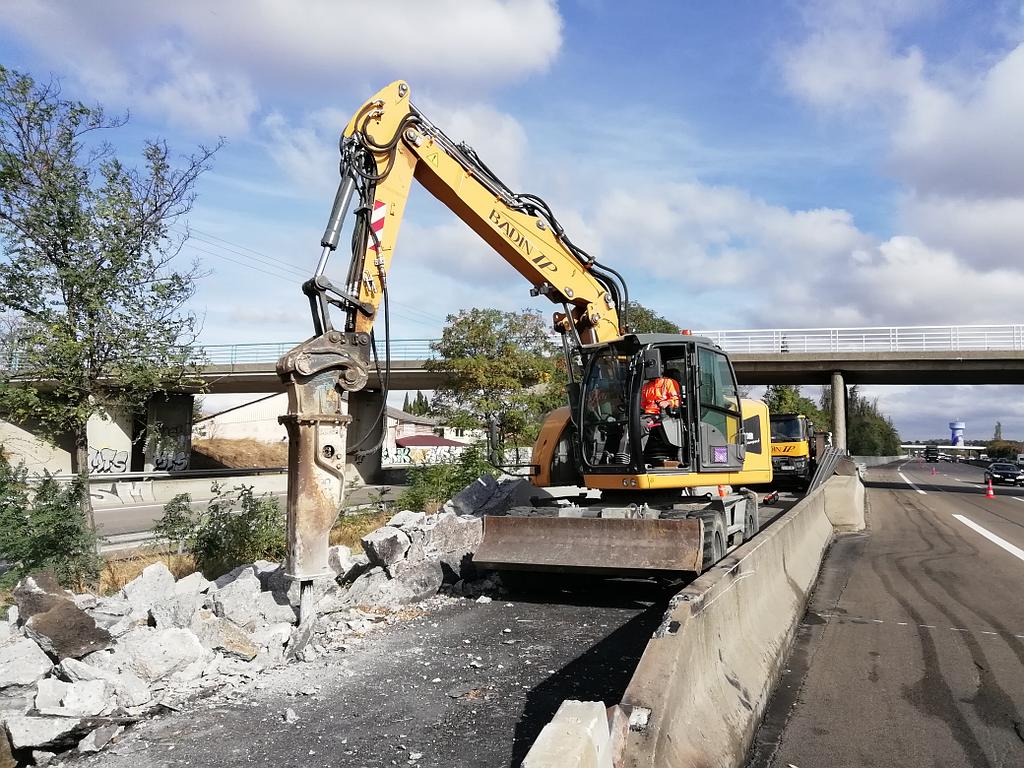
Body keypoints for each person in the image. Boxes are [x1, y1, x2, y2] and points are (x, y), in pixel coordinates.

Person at [640, 366, 683, 461]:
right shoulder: (646, 386)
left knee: (641, 425)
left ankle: (638, 456)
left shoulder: (669, 383)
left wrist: (668, 402)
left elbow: (677, 400)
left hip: (663, 414)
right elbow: (642, 404)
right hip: (647, 414)